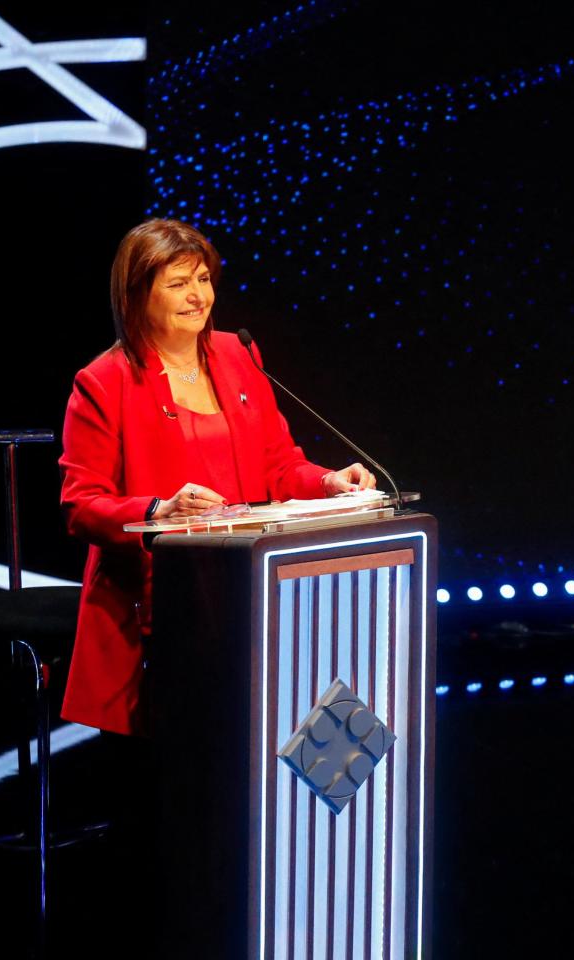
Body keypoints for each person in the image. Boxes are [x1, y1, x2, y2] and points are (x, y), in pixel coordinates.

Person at [59, 218, 376, 736]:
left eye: (203, 279)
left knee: (309, 699)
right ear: (138, 293)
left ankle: (313, 802)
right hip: (166, 596)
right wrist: (157, 511)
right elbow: (81, 504)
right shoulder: (102, 383)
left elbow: (279, 465)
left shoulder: (237, 354)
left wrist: (326, 482)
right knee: (202, 754)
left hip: (253, 579)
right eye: (179, 283)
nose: (197, 296)